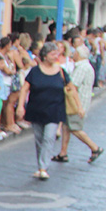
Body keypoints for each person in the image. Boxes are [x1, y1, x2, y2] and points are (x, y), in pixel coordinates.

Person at [17, 42, 69, 181]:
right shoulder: (35, 71)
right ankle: (41, 165)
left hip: (54, 109)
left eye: (56, 53)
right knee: (39, 139)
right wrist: (21, 106)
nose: (56, 56)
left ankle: (43, 168)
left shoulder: (61, 71)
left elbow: (71, 88)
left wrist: (78, 106)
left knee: (49, 138)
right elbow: (25, 88)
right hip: (37, 109)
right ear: (45, 56)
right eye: (53, 54)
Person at [54, 45, 104, 163]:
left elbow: (73, 85)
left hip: (76, 102)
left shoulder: (82, 68)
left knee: (75, 128)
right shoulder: (86, 66)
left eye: (75, 52)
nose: (73, 54)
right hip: (78, 101)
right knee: (66, 127)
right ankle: (63, 153)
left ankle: (94, 148)